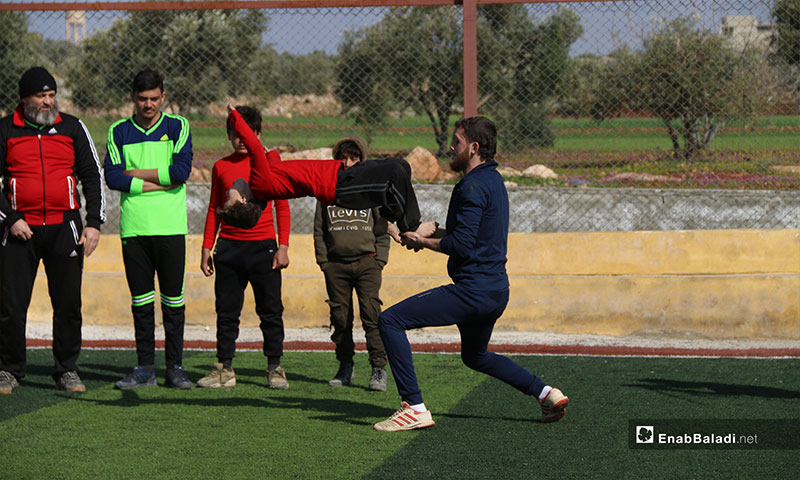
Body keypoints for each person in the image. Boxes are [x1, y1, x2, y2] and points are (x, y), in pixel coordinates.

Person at [373, 117, 569, 431]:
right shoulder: (493, 181)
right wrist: (430, 233)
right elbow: (471, 237)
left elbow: (462, 246)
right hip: (495, 290)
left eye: (457, 141)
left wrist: (423, 240)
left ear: (474, 147)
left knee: (390, 320)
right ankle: (546, 393)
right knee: (475, 355)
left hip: (473, 291)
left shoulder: (471, 185)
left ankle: (415, 407)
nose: (451, 147)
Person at [0, 66, 105, 395]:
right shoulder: (5, 129)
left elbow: (92, 175)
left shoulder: (72, 127)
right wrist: (10, 218)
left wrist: (93, 223)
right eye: (41, 96)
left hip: (66, 227)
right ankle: (9, 369)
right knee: (11, 306)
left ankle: (67, 369)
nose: (48, 102)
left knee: (68, 304)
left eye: (51, 95)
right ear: (24, 99)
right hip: (20, 230)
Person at [104, 69, 193, 390]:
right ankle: (144, 368)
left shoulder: (178, 126)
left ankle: (175, 368)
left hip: (170, 229)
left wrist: (136, 175)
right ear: (133, 97)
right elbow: (113, 177)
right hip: (134, 230)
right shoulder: (118, 131)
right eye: (142, 98)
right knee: (141, 301)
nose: (149, 104)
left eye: (155, 98)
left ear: (163, 97)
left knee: (173, 302)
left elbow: (182, 171)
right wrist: (159, 182)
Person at [226, 106, 435, 239]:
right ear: (243, 199)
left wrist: (269, 153)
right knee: (394, 173)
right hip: (341, 187)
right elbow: (253, 145)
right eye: (230, 195)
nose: (230, 188)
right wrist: (235, 116)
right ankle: (412, 226)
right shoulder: (259, 185)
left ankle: (385, 220)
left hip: (343, 174)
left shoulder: (265, 182)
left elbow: (275, 163)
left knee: (400, 165)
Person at [197, 105, 291, 390]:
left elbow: (282, 206)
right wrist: (206, 248)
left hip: (263, 249)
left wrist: (283, 246)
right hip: (229, 249)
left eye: (247, 134)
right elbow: (215, 208)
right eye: (235, 133)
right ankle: (224, 367)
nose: (241, 139)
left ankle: (275, 367)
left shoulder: (268, 163)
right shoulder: (221, 166)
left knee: (271, 310)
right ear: (228, 135)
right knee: (226, 312)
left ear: (258, 134)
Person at [313, 136, 390, 391]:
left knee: (371, 315)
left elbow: (383, 225)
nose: (348, 163)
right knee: (340, 318)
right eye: (343, 158)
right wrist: (325, 262)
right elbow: (319, 229)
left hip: (367, 263)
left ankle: (378, 368)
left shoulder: (371, 188)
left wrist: (379, 259)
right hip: (336, 265)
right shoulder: (327, 189)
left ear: (362, 160)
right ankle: (345, 366)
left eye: (354, 158)